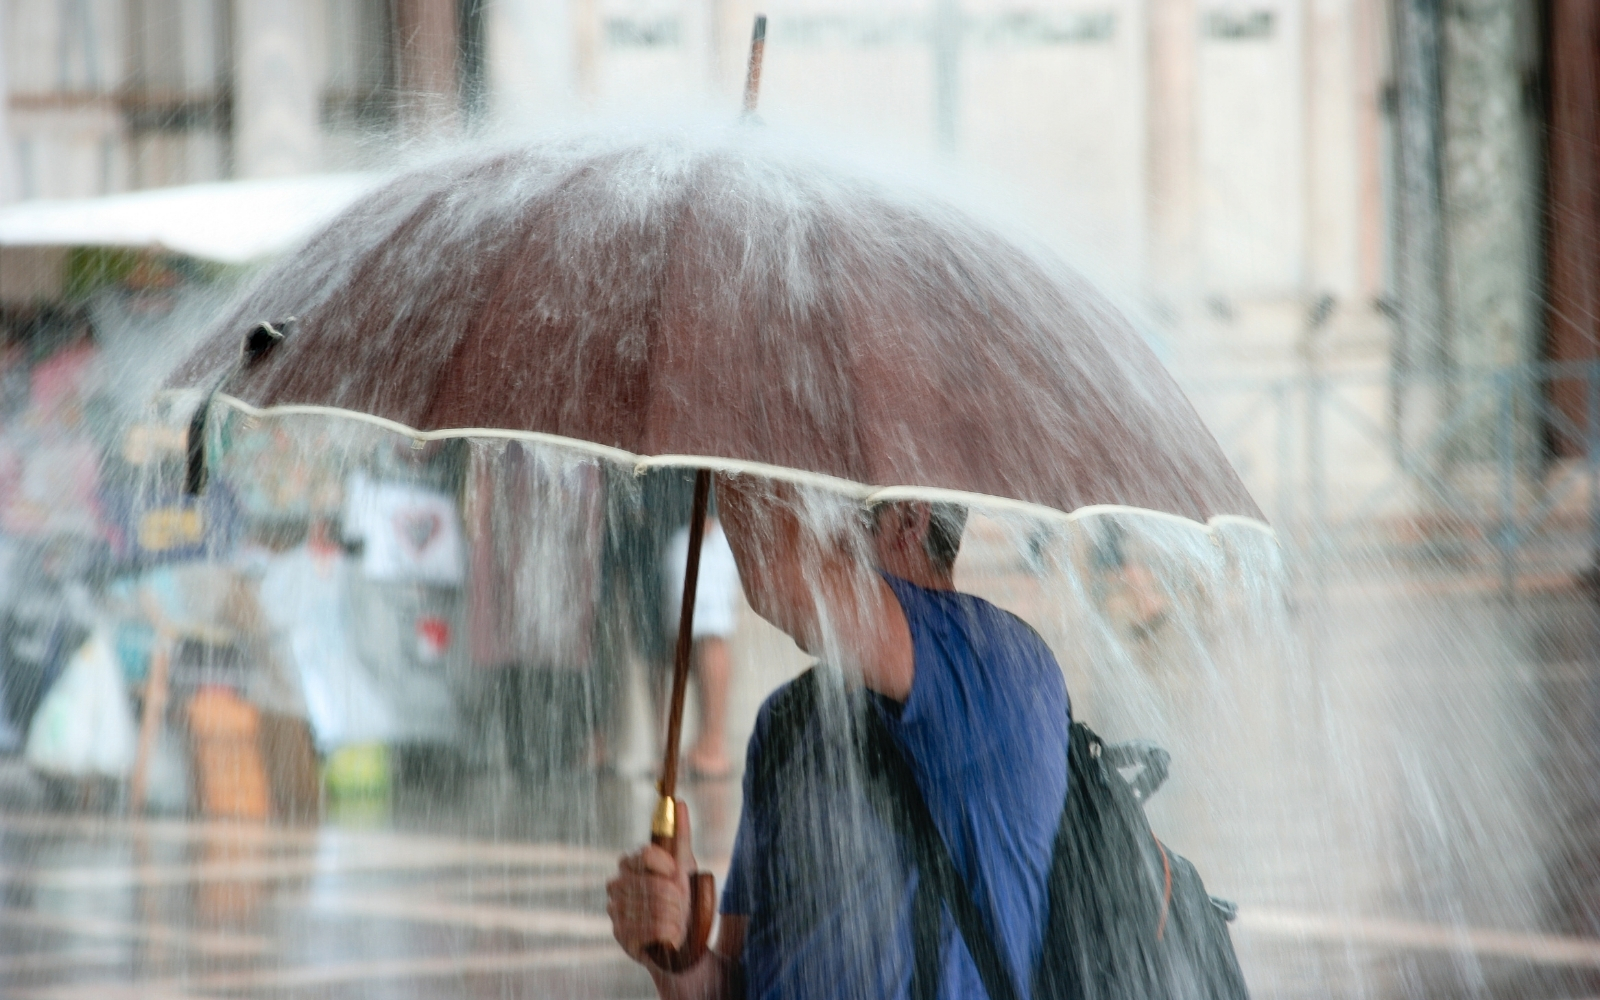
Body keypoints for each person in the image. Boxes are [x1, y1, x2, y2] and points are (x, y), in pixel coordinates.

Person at [607, 476, 1072, 1000]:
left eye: (821, 501)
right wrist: (678, 955)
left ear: (907, 519)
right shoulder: (787, 719)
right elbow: (736, 985)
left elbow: (774, 572)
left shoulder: (1002, 666)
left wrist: (719, 437)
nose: (804, 520)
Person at [663, 514, 741, 779]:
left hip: (697, 517)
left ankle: (712, 746)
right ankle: (701, 745)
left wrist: (707, 506)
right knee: (686, 632)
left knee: (709, 629)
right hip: (662, 519)